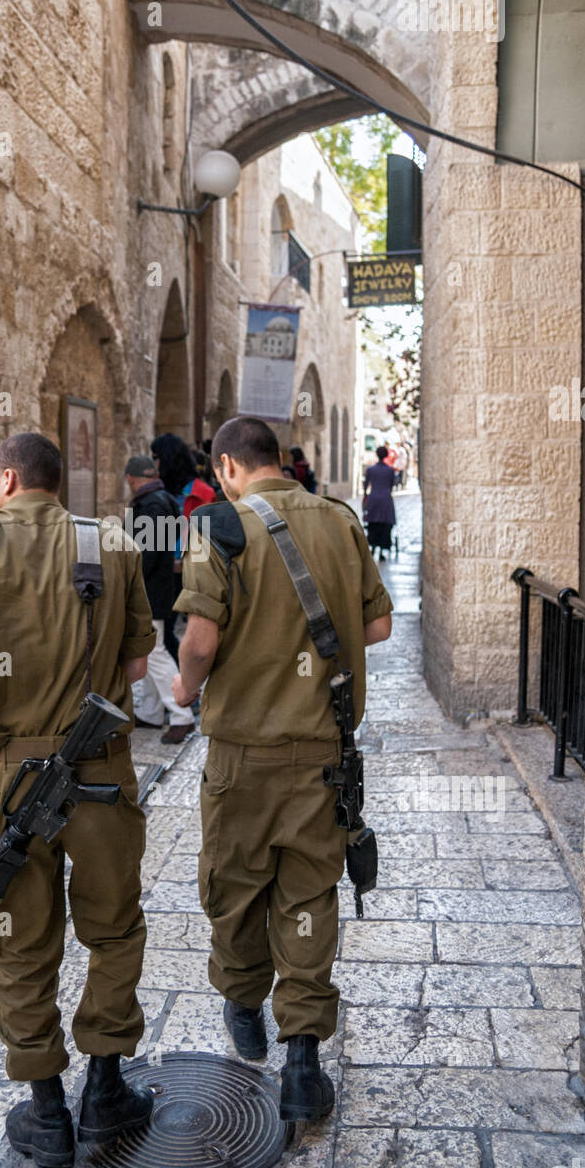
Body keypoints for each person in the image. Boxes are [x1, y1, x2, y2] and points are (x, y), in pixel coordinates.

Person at [0, 432, 156, 1168]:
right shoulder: (111, 542)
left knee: (22, 939)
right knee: (113, 933)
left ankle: (47, 1114)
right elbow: (138, 664)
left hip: (16, 776)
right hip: (103, 773)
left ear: (8, 479)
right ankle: (106, 1089)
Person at [171, 415, 392, 1122]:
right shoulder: (338, 520)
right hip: (324, 752)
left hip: (243, 755)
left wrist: (183, 688)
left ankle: (243, 1004)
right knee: (306, 896)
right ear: (279, 461)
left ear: (229, 466)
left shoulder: (219, 527)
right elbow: (380, 624)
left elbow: (199, 641)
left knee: (235, 888)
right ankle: (303, 1060)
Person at [123, 454, 195, 744]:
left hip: (149, 590)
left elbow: (146, 554)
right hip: (161, 587)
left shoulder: (150, 504)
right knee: (152, 650)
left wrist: (128, 582)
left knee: (154, 652)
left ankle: (182, 716)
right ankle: (152, 713)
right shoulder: (163, 499)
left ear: (131, 478)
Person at [150, 433, 216, 661]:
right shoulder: (158, 489)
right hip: (161, 569)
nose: (153, 462)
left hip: (187, 570)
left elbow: (204, 535)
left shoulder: (203, 493)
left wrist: (186, 561)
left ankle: (184, 686)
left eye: (156, 457)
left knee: (177, 632)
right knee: (163, 630)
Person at [363, 445, 398, 562]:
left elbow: (365, 486)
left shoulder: (371, 470)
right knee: (385, 525)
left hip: (374, 499)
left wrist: (365, 499)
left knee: (373, 524)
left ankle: (373, 545)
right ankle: (383, 550)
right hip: (386, 500)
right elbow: (392, 485)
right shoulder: (390, 471)